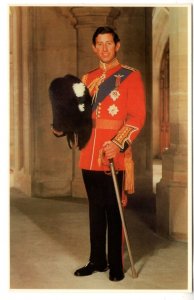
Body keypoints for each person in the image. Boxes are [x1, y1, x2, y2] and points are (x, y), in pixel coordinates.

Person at [74, 26, 146, 282]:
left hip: (113, 153)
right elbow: (80, 116)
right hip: (88, 154)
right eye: (99, 44)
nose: (104, 48)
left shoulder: (130, 76)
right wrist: (62, 126)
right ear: (94, 47)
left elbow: (137, 117)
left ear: (117, 45)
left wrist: (118, 143)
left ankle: (115, 263)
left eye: (109, 43)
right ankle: (97, 260)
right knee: (95, 209)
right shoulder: (88, 78)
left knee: (114, 210)